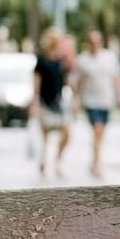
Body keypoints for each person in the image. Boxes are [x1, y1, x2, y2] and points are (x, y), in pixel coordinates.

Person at [72, 29, 120, 176]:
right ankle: (97, 163)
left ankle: (95, 158)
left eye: (97, 42)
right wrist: (75, 100)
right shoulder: (82, 60)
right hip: (90, 101)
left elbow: (116, 78)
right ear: (87, 43)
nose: (94, 45)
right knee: (97, 129)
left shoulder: (109, 57)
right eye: (91, 42)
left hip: (106, 101)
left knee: (100, 133)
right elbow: (77, 82)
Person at [30, 28, 72, 176]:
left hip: (59, 101)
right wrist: (34, 101)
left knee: (67, 133)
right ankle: (43, 160)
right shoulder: (41, 60)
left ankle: (58, 160)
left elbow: (67, 79)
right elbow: (36, 81)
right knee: (45, 135)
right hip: (45, 101)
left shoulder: (62, 60)